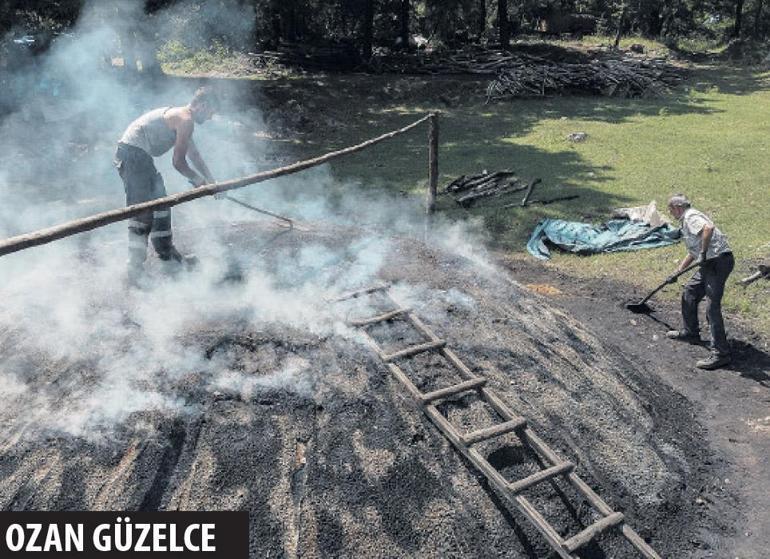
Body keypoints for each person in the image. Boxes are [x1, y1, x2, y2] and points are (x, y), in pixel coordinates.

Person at [114, 86, 216, 286]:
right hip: (132, 156)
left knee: (161, 205)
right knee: (142, 213)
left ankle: (168, 257)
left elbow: (194, 155)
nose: (211, 117)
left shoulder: (185, 119)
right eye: (212, 112)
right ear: (203, 106)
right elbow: (178, 163)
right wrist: (200, 182)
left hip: (138, 157)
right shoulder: (185, 120)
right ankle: (134, 270)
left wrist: (212, 183)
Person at [665, 194, 734, 369]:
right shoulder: (687, 220)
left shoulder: (690, 217)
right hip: (709, 263)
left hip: (717, 262)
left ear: (677, 207)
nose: (671, 213)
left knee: (712, 307)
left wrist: (703, 253)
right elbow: (693, 251)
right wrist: (678, 271)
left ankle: (720, 353)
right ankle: (690, 333)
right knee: (690, 291)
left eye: (670, 209)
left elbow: (708, 228)